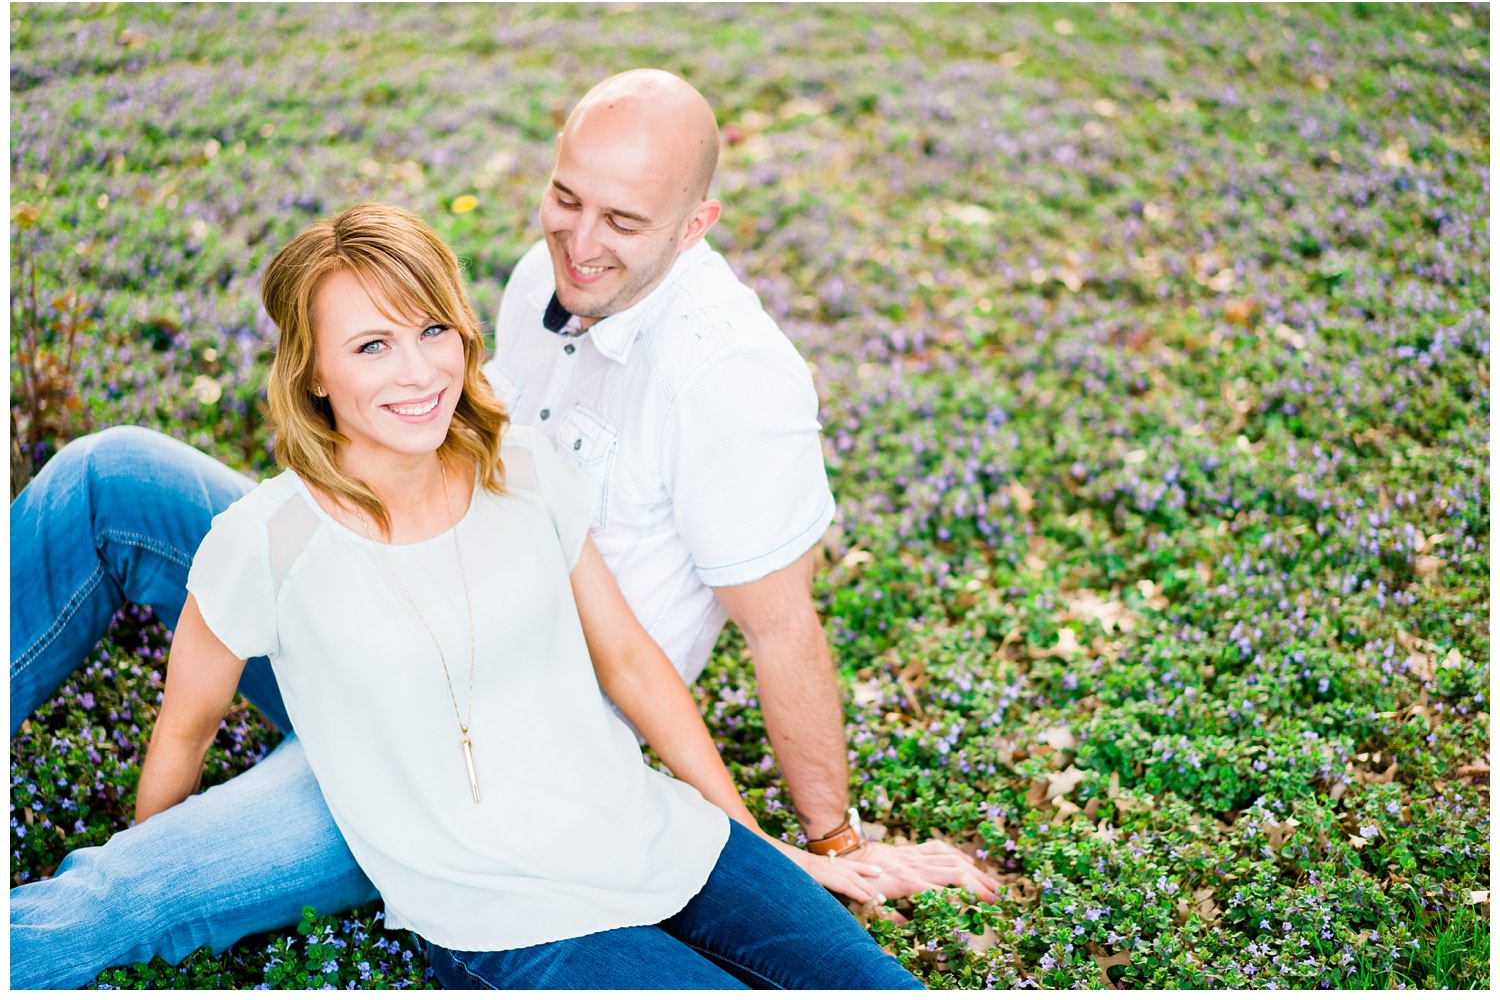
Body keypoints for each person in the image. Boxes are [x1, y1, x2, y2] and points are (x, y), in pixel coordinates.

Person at [9, 70, 996, 988]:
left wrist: (818, 843)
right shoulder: (538, 285)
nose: (579, 239)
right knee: (114, 485)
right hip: (390, 704)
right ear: (312, 369)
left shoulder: (724, 379)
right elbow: (189, 721)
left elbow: (755, 633)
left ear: (696, 225)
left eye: (621, 218)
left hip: (545, 722)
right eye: (567, 197)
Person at [137, 201, 925, 989]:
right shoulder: (266, 541)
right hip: (500, 909)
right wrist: (149, 883)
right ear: (312, 370)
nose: (419, 372)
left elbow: (630, 662)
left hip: (646, 829)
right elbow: (185, 731)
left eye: (433, 330)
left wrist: (755, 840)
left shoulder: (519, 464)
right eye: (372, 345)